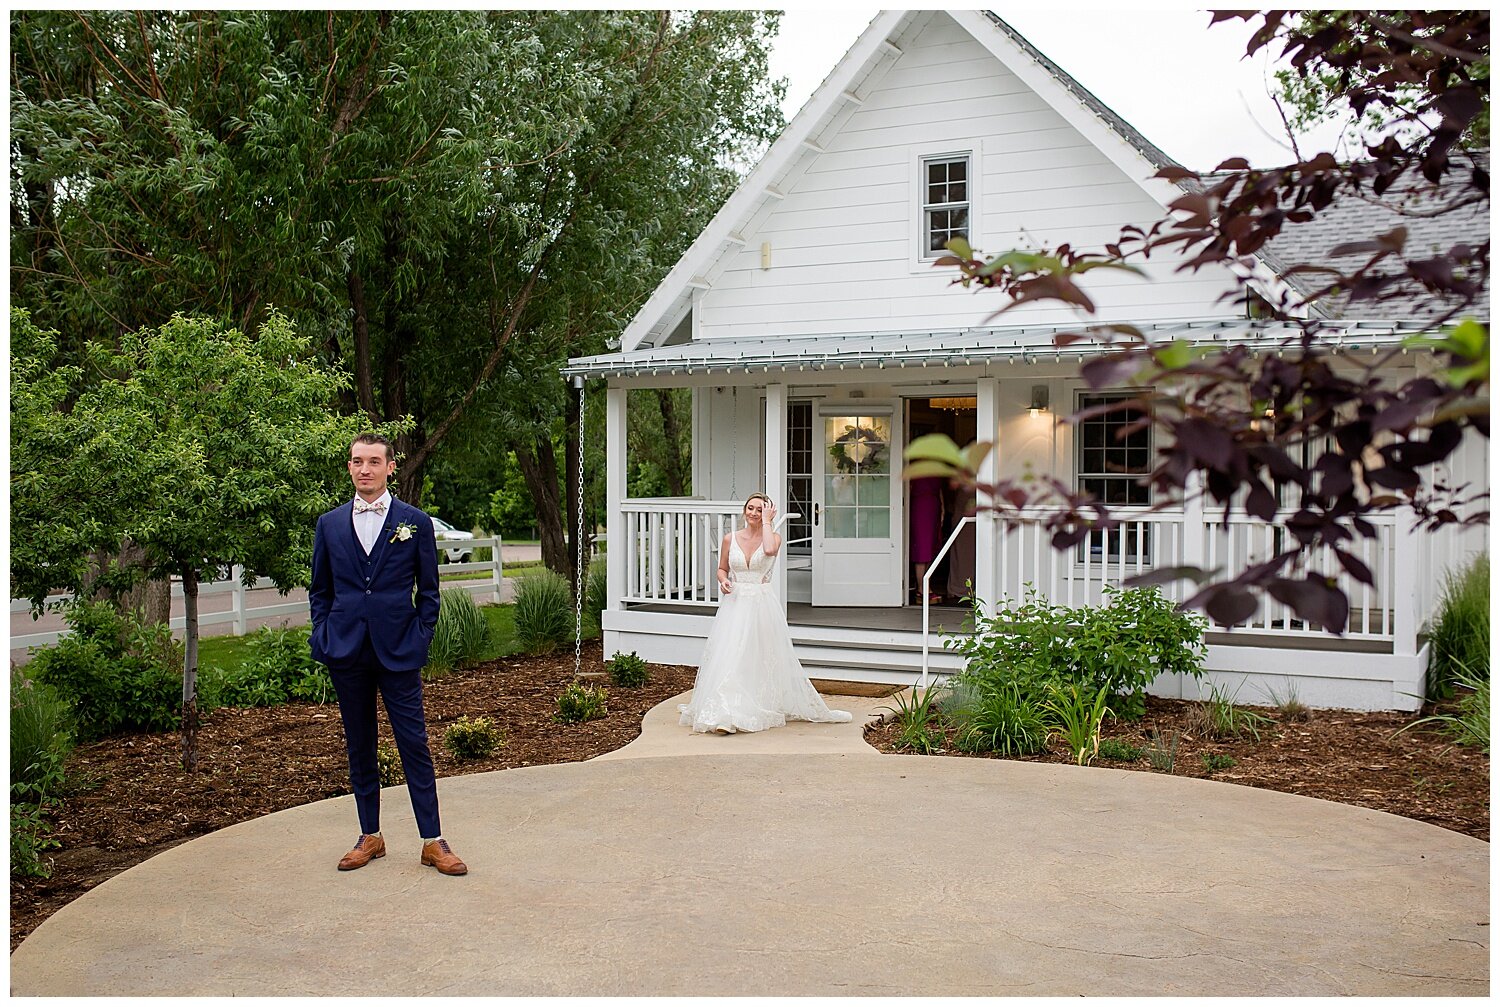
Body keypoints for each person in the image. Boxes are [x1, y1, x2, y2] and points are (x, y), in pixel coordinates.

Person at [309, 432, 467, 876]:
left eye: (374, 461)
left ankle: (433, 840)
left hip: (399, 650)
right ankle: (369, 835)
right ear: (349, 467)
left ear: (390, 467)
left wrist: (420, 638)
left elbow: (430, 592)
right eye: (357, 461)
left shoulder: (414, 522)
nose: (365, 469)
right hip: (347, 651)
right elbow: (320, 589)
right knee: (359, 744)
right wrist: (324, 633)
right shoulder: (330, 524)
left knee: (413, 743)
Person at [678, 492, 853, 734]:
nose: (753, 513)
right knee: (732, 655)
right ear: (744, 510)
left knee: (756, 654)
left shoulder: (775, 538)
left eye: (760, 510)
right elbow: (722, 568)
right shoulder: (730, 538)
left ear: (767, 514)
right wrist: (723, 581)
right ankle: (726, 712)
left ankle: (754, 703)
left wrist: (769, 522)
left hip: (761, 604)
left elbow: (769, 551)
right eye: (750, 508)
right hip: (735, 604)